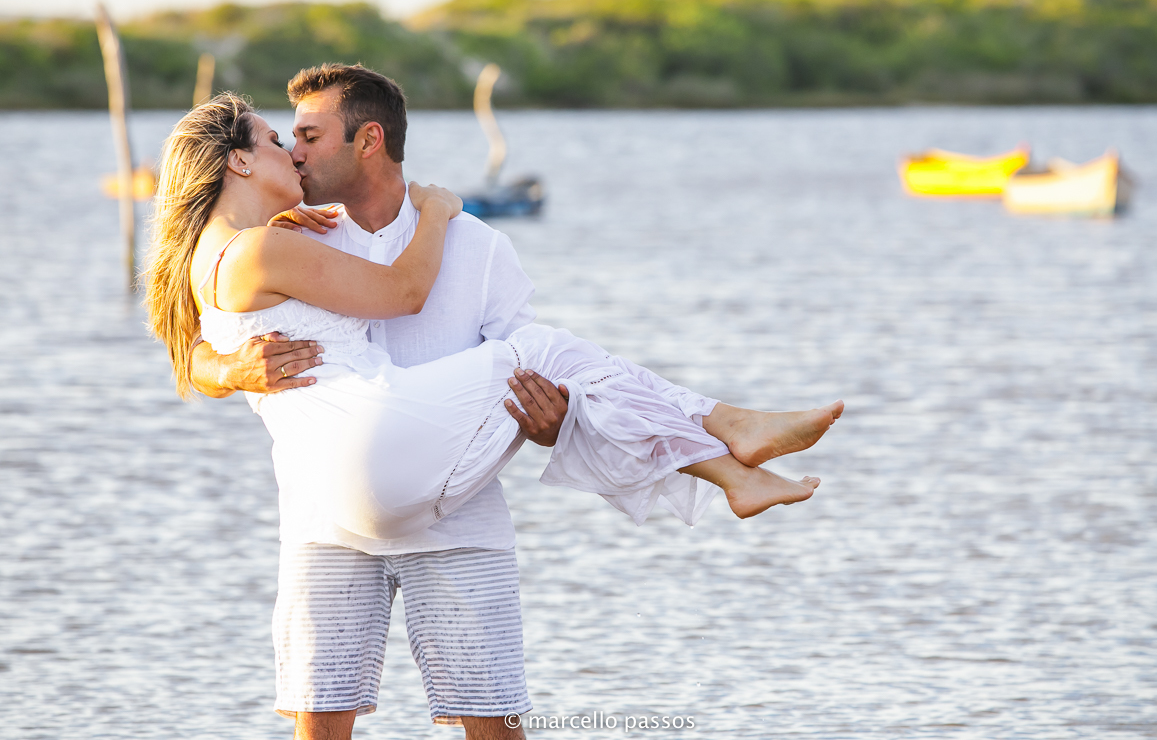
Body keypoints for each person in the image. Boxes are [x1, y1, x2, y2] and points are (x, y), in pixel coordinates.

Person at [159, 68, 842, 738]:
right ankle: (727, 438)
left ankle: (731, 459)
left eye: (307, 135)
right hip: (330, 513)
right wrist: (227, 367)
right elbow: (201, 340)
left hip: (452, 506)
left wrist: (554, 422)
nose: (294, 150)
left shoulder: (476, 249)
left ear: (367, 139)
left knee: (492, 723)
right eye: (283, 138)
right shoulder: (292, 235)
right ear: (241, 164)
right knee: (320, 720)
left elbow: (561, 393)